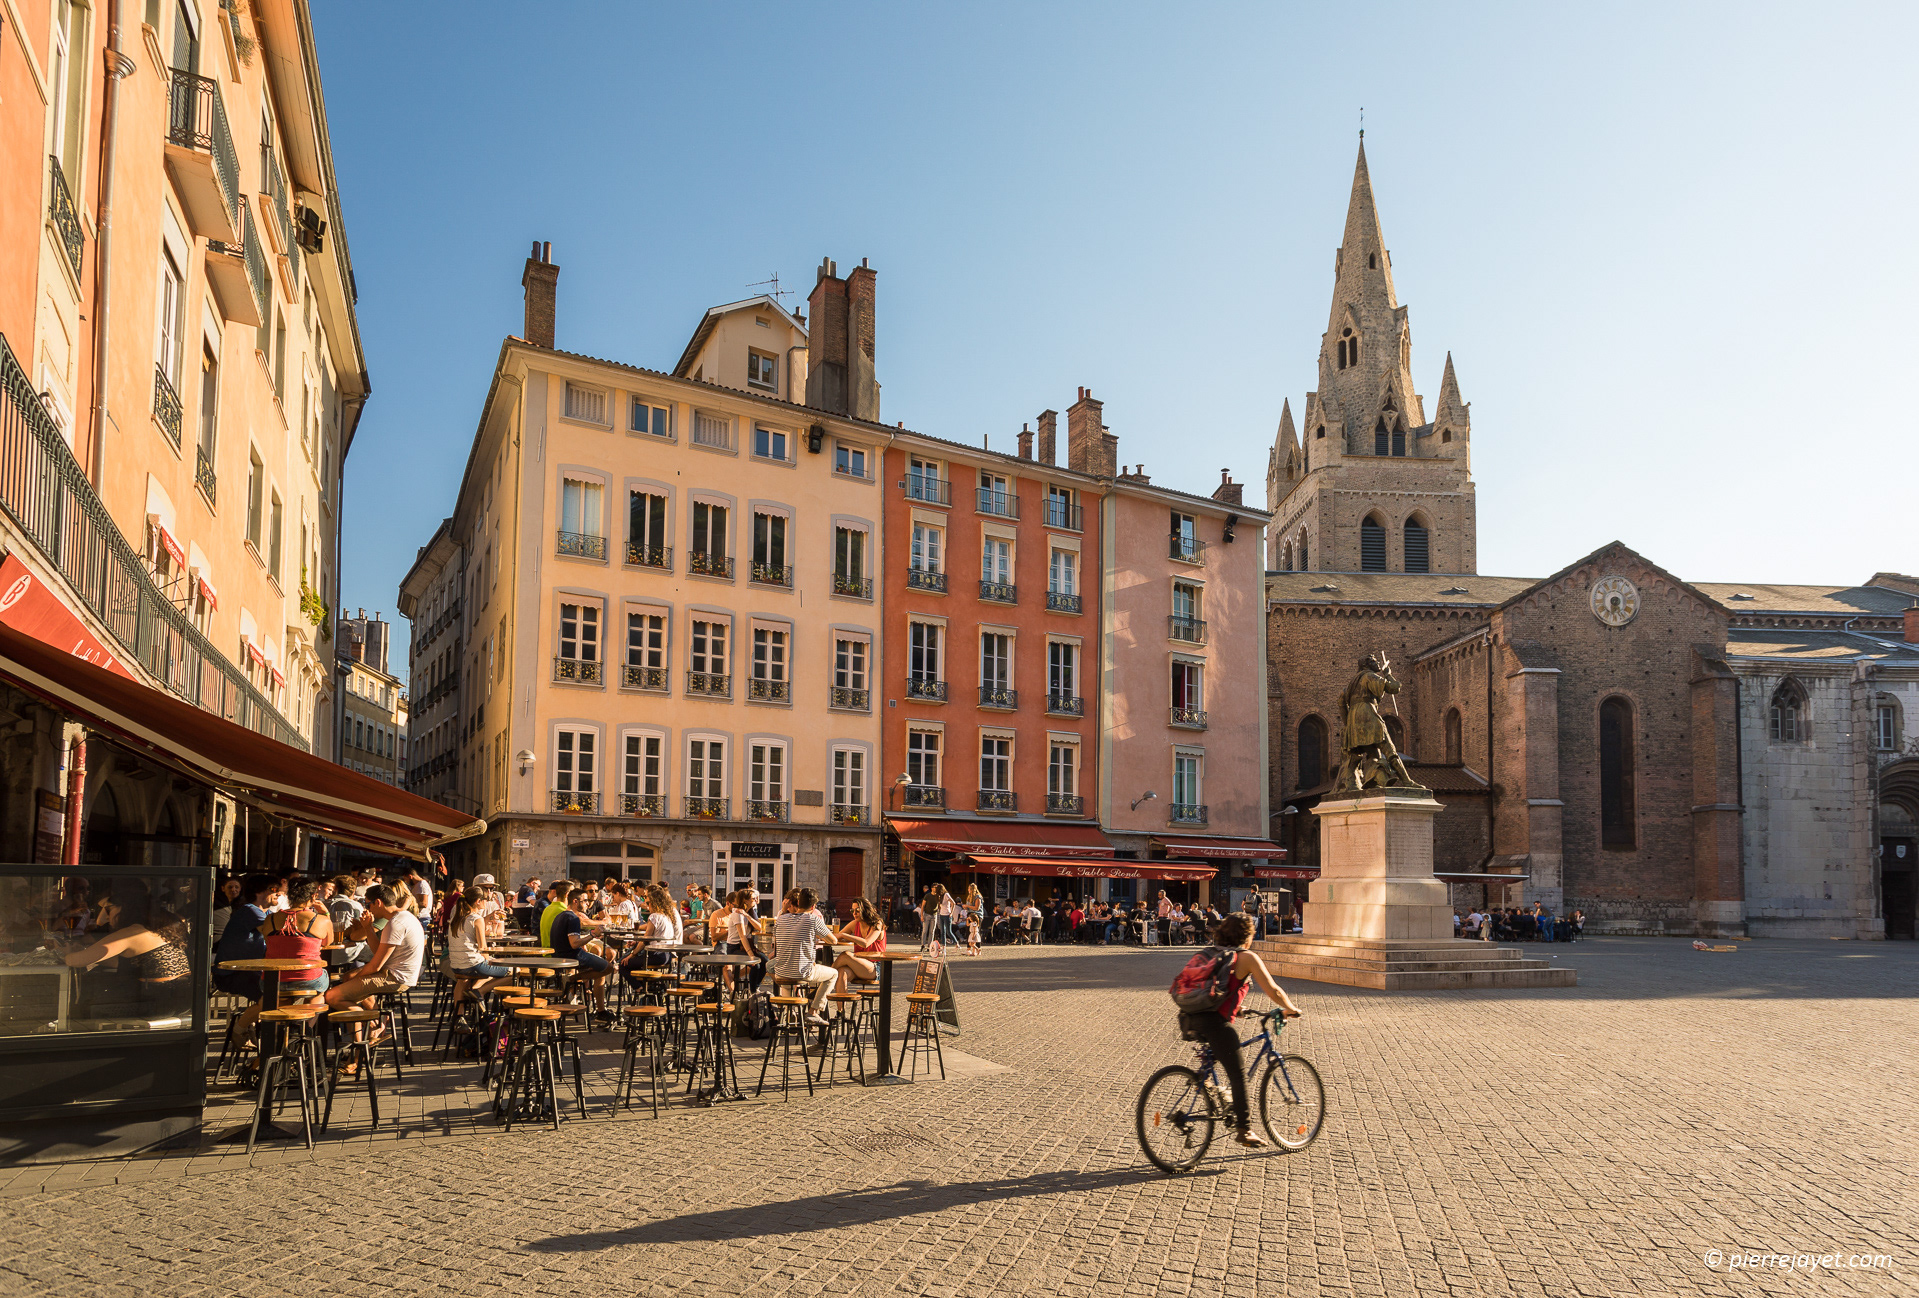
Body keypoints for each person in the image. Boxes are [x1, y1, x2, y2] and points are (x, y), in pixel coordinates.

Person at [1177, 912, 1303, 1148]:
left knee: (1214, 1062)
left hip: (1189, 1017)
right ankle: (1244, 1130)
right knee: (1237, 1074)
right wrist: (1291, 1008)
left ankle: (1206, 1086)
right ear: (1248, 935)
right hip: (1215, 1024)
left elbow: (1216, 989)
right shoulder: (1245, 957)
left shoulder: (1209, 953)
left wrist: (1238, 1009)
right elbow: (1273, 990)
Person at [62, 879, 193, 1021]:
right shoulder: (165, 925)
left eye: (109, 910)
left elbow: (76, 961)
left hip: (153, 1004)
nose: (107, 916)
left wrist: (67, 952)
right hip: (182, 1000)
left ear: (124, 907)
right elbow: (122, 962)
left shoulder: (132, 932)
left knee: (87, 1006)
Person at [325, 884, 427, 1028]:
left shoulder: (395, 923)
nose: (367, 909)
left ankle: (374, 1026)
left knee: (332, 996)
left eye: (368, 904)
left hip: (396, 978)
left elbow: (375, 966)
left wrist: (355, 981)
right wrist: (367, 927)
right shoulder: (404, 917)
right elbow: (378, 952)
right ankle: (368, 1031)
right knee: (348, 977)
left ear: (378, 902)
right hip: (398, 973)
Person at [773, 887, 838, 1025]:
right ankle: (813, 1012)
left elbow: (776, 939)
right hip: (803, 972)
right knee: (833, 974)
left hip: (781, 972)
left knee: (787, 976)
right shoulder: (813, 919)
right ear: (813, 906)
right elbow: (833, 940)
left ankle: (789, 1014)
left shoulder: (780, 919)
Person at [549, 887, 611, 1016]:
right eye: (585, 901)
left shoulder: (560, 916)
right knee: (608, 968)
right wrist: (593, 934)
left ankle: (600, 1010)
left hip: (559, 956)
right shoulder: (573, 918)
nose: (587, 903)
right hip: (573, 956)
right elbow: (574, 943)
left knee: (600, 970)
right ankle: (573, 980)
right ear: (575, 901)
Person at [832, 898, 886, 991]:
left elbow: (866, 943)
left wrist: (844, 935)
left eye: (857, 910)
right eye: (852, 910)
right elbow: (837, 937)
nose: (854, 913)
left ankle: (824, 979)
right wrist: (821, 934)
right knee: (841, 972)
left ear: (865, 910)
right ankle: (841, 1006)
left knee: (846, 955)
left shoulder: (877, 924)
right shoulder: (855, 923)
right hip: (858, 965)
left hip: (875, 967)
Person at [207, 877, 245, 944]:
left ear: (240, 889)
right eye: (230, 887)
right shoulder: (213, 902)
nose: (233, 889)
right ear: (223, 888)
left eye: (236, 887)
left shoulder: (242, 905)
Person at [538, 879, 573, 948]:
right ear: (567, 894)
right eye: (574, 893)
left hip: (547, 951)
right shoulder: (564, 911)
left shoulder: (548, 908)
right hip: (558, 953)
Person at [961, 885, 983, 955]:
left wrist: (967, 906)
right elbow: (970, 907)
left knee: (975, 932)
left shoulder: (977, 897)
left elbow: (977, 908)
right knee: (969, 932)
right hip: (970, 914)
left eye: (969, 889)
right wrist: (965, 907)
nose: (968, 890)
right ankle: (968, 949)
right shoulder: (969, 897)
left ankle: (977, 949)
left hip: (976, 915)